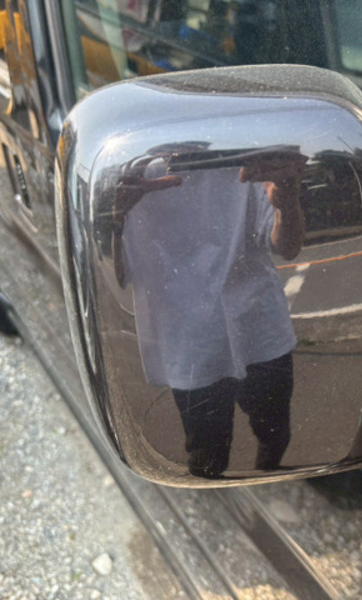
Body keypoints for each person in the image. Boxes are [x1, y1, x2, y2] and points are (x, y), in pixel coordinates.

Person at [116, 151, 305, 477]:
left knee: (274, 433)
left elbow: (287, 246)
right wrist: (114, 216)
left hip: (257, 328)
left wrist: (287, 201)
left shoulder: (240, 153)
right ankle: (241, 488)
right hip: (191, 345)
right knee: (207, 455)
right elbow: (119, 275)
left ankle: (271, 472)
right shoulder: (134, 168)